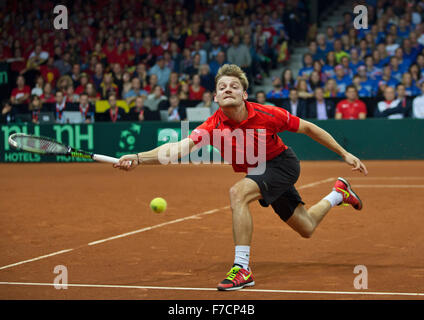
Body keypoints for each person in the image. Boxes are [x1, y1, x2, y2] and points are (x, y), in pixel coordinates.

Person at [113, 64, 368, 291]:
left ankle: (242, 268)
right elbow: (177, 149)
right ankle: (339, 193)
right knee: (307, 227)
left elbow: (309, 128)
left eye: (234, 86)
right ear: (215, 97)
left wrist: (343, 153)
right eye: (221, 87)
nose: (227, 89)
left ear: (244, 94)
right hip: (258, 171)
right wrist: (138, 157)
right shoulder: (213, 125)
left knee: (238, 193)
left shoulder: (268, 114)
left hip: (282, 164)